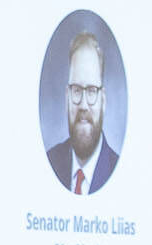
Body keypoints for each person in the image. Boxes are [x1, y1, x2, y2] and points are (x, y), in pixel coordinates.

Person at [45, 31, 119, 195]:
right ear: (67, 97)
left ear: (103, 101)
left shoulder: (119, 171)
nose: (84, 105)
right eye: (77, 90)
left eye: (92, 90)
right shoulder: (49, 162)